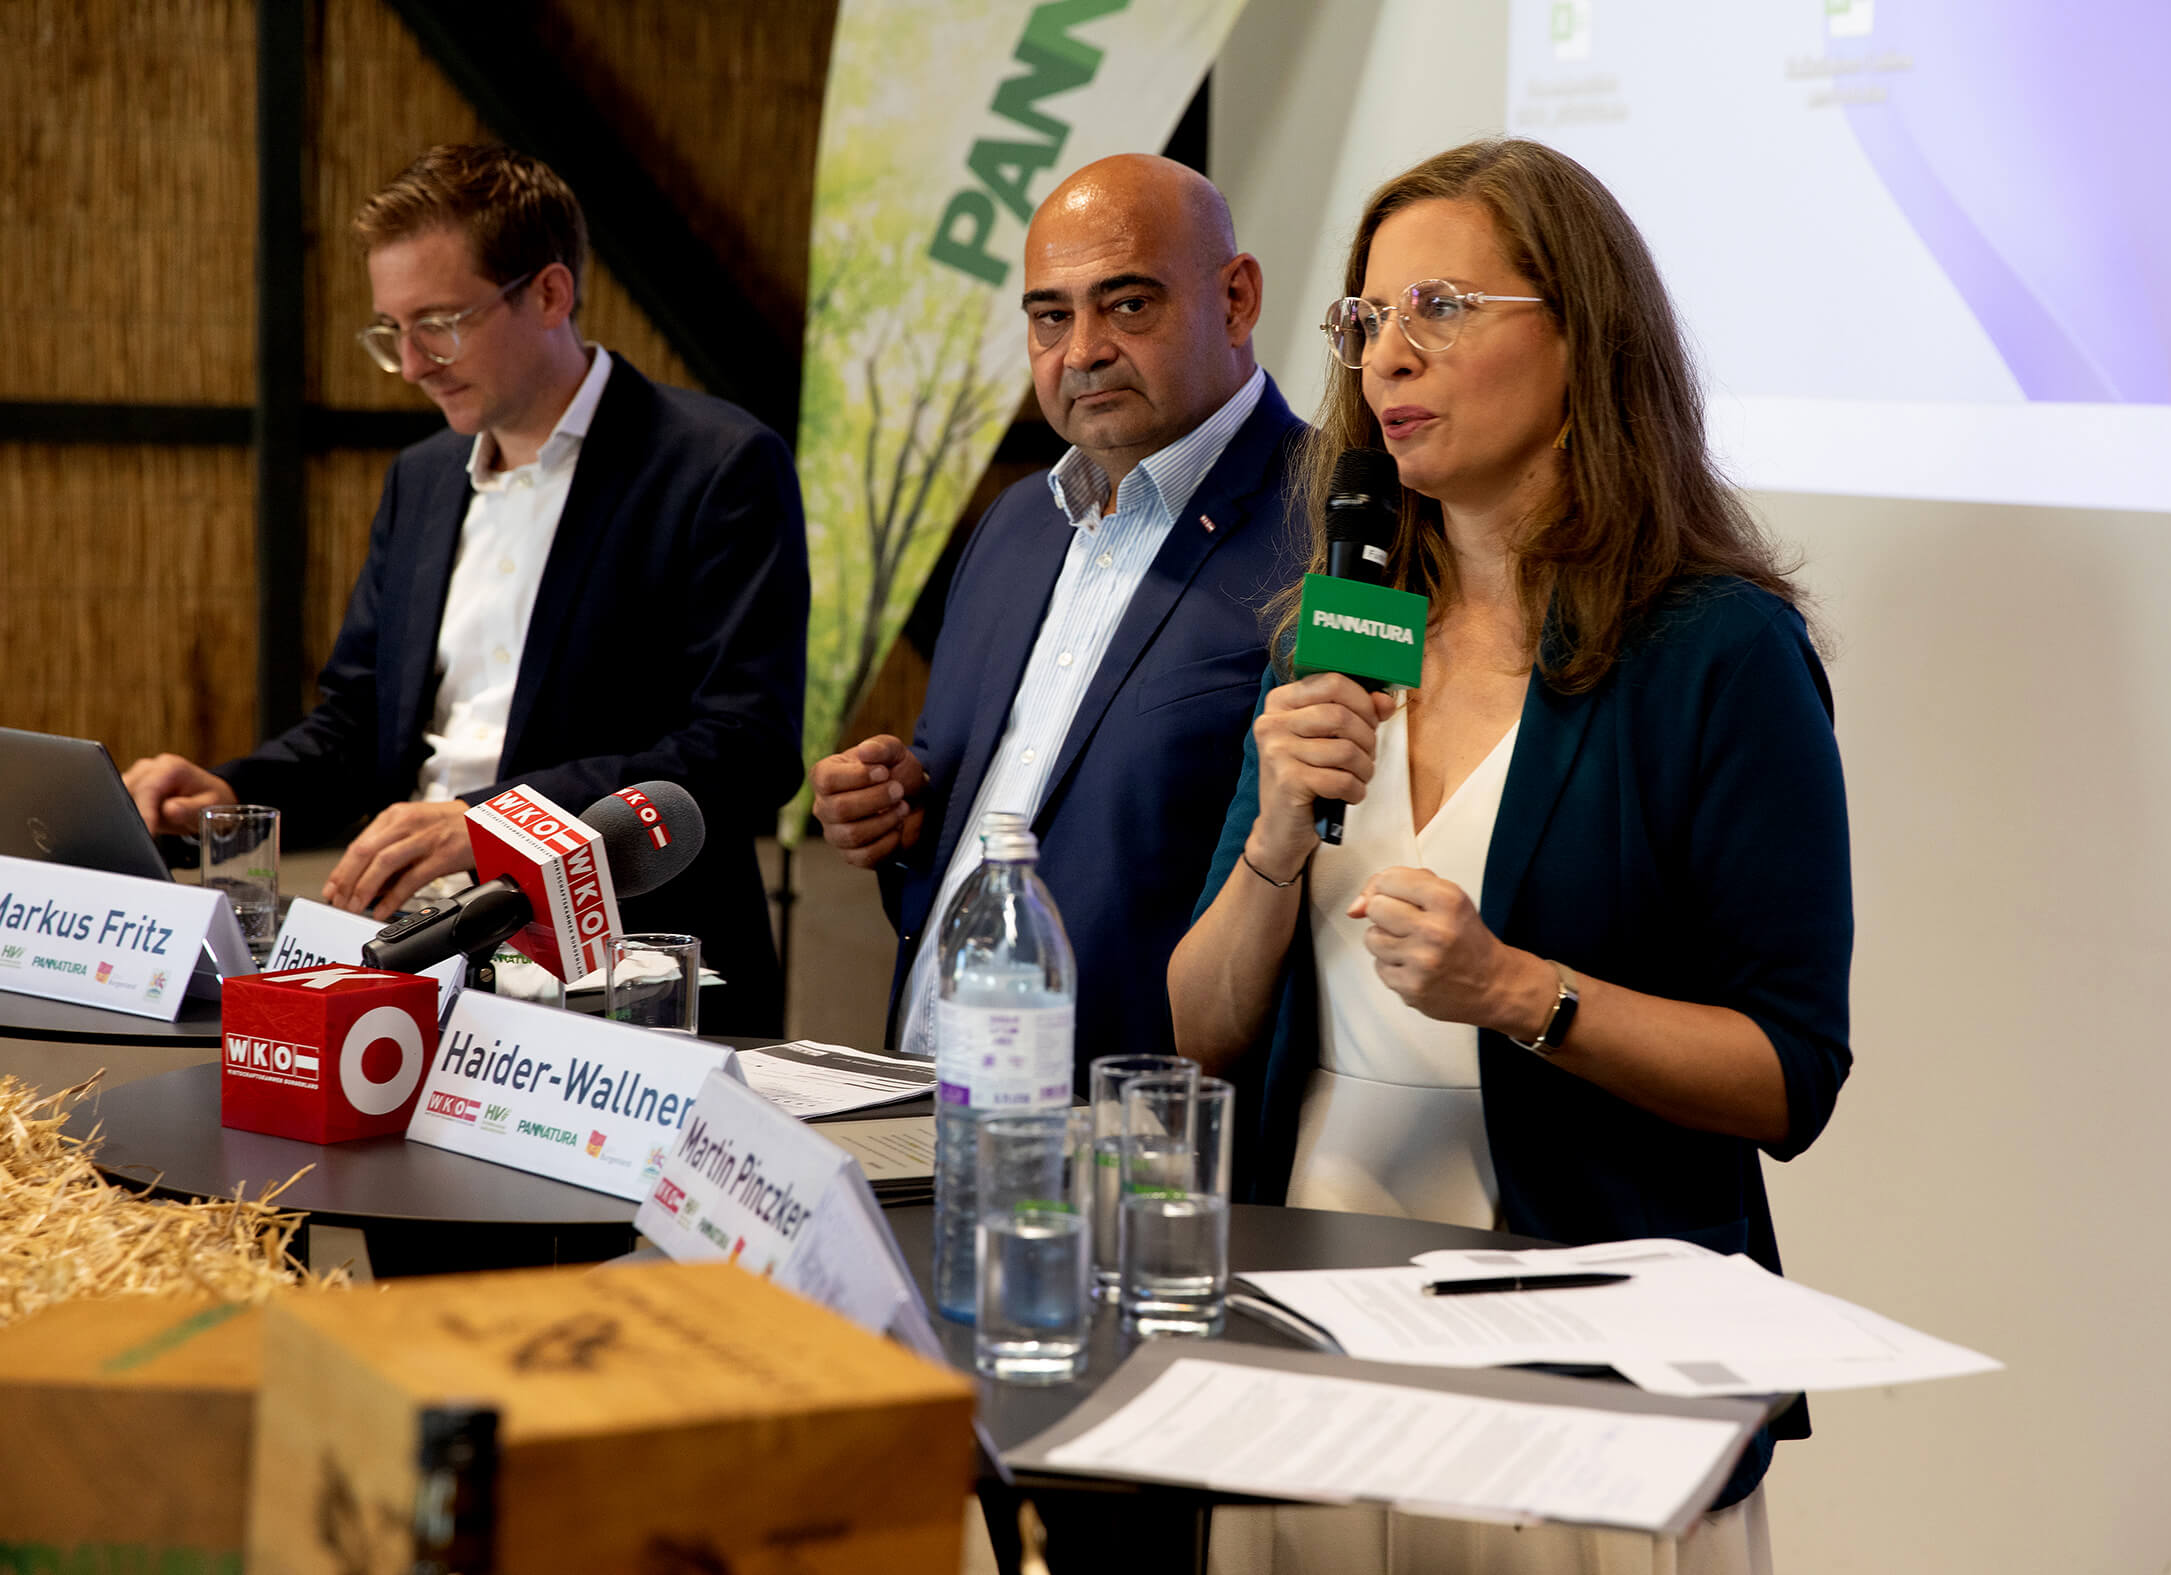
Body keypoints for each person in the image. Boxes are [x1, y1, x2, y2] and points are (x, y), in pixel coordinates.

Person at [1168, 138, 1852, 1570]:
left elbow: (1785, 1072)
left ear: (1582, 336)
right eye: (1363, 323)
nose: (1383, 358)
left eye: (1439, 309)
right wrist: (1276, 844)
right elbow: (1203, 1023)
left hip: (1584, 1355)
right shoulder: (1337, 624)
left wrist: (1516, 989)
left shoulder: (1714, 652)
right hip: (1317, 1304)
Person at [123, 145, 807, 1034]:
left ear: (551, 294)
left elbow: (744, 751)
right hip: (425, 962)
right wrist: (231, 792)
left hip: (632, 982)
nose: (410, 363)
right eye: (390, 330)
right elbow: (360, 722)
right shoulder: (424, 476)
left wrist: (490, 826)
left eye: (439, 323)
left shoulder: (715, 464)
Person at [810, 154, 1302, 1079]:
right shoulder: (1015, 525)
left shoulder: (1335, 540)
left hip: (1145, 1138)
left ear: (1236, 299)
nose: (1081, 351)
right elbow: (976, 814)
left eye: (1127, 304)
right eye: (1050, 317)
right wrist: (900, 820)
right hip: (930, 1094)